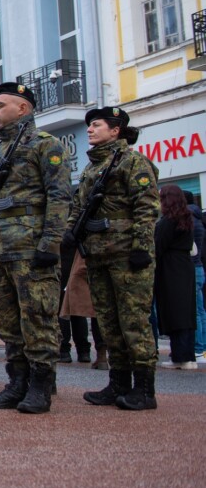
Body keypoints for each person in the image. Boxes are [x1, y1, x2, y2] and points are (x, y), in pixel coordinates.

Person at [0, 83, 71, 414]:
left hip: (30, 246)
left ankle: (40, 385)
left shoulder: (46, 145)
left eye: (0, 105)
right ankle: (16, 382)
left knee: (37, 318)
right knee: (8, 322)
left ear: (22, 108)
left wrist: (51, 242)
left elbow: (60, 195)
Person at [65, 107, 160, 410]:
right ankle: (118, 383)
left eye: (96, 125)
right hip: (97, 255)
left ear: (116, 129)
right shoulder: (93, 168)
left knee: (133, 321)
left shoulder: (133, 162)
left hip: (126, 255)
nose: (90, 130)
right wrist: (70, 234)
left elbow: (146, 207)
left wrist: (142, 247)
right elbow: (79, 209)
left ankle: (145, 389)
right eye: (90, 125)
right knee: (108, 322)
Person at [155, 184, 198, 370]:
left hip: (170, 269)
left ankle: (179, 356)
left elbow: (157, 247)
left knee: (173, 312)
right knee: (186, 312)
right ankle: (187, 356)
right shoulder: (187, 219)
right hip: (185, 267)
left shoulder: (166, 222)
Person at [187, 191, 206, 362]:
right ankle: (202, 347)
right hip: (199, 267)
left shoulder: (189, 221)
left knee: (194, 310)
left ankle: (198, 349)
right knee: (200, 310)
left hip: (191, 268)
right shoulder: (199, 220)